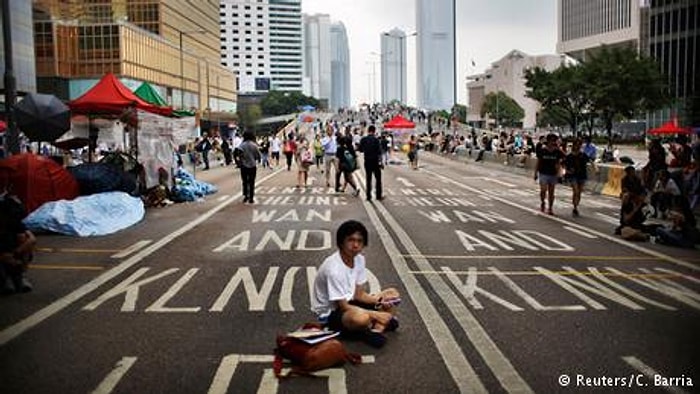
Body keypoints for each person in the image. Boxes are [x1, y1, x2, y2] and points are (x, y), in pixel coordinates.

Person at [311, 220, 400, 348]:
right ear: (341, 242)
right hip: (331, 312)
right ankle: (370, 327)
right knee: (360, 318)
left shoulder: (359, 259)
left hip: (351, 301)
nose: (355, 245)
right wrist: (377, 314)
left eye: (360, 241)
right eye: (351, 240)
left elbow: (359, 294)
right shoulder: (333, 269)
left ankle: (375, 328)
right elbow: (343, 307)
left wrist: (380, 301)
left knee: (392, 294)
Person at [0, 181, 35, 294]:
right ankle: (4, 279)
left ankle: (19, 276)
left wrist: (15, 253)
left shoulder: (13, 223)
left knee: (24, 240)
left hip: (10, 251)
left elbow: (32, 239)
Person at [534, 133, 564, 215]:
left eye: (554, 140)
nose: (552, 142)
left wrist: (559, 172)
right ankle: (543, 201)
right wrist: (535, 173)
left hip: (553, 174)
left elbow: (565, 157)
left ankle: (550, 208)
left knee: (551, 192)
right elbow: (538, 162)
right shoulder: (542, 151)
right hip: (543, 173)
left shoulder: (557, 151)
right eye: (551, 140)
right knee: (543, 190)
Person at [358, 125, 384, 202]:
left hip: (367, 161)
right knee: (378, 179)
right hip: (375, 161)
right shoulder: (376, 140)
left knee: (368, 179)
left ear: (368, 131)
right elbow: (379, 152)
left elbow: (360, 149)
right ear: (374, 131)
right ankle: (378, 195)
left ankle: (368, 196)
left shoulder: (364, 139)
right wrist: (381, 162)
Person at [564, 138, 589, 217]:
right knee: (576, 191)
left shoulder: (583, 155)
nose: (578, 146)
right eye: (576, 145)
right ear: (574, 146)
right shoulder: (569, 156)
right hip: (573, 176)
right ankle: (575, 207)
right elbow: (563, 164)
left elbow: (590, 161)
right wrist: (567, 171)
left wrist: (595, 168)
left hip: (582, 175)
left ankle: (576, 206)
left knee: (579, 192)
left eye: (579, 145)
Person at [237, 130, 261, 204]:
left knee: (245, 181)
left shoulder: (241, 145)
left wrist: (241, 162)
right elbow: (258, 155)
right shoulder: (254, 145)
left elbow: (239, 155)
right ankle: (251, 197)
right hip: (252, 166)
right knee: (251, 182)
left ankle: (245, 196)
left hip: (244, 166)